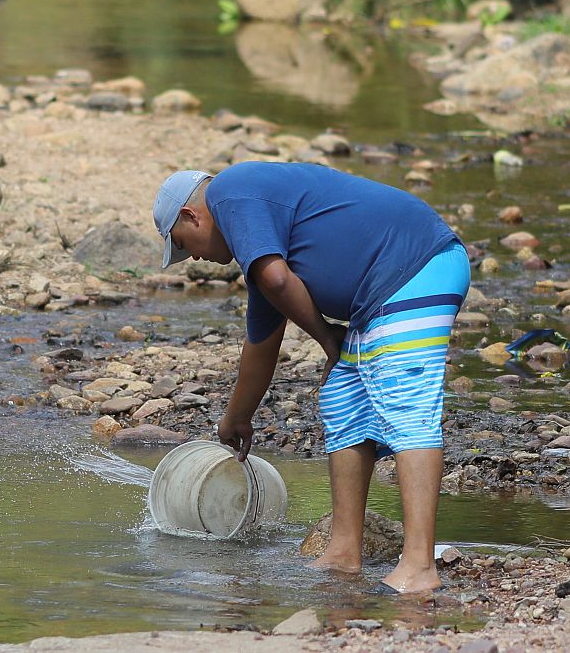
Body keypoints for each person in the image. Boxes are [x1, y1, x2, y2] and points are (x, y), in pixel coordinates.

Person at [152, 161, 469, 595]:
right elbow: (261, 345)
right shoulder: (260, 249)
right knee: (343, 399)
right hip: (379, 292)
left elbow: (280, 281)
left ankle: (419, 566)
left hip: (416, 266)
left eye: (185, 246)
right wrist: (236, 420)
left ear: (192, 216)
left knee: (405, 405)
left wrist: (326, 339)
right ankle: (343, 551)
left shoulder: (231, 194)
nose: (195, 258)